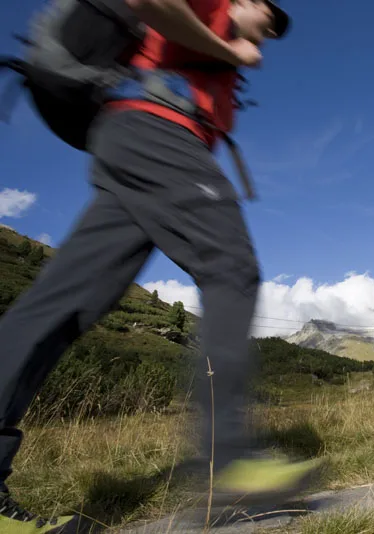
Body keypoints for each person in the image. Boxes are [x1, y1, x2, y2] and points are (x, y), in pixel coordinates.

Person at [0, 1, 320, 531]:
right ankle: (231, 461)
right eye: (268, 13)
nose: (269, 28)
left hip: (130, 139)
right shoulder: (212, 8)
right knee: (231, 267)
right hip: (158, 133)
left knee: (58, 306)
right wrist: (228, 46)